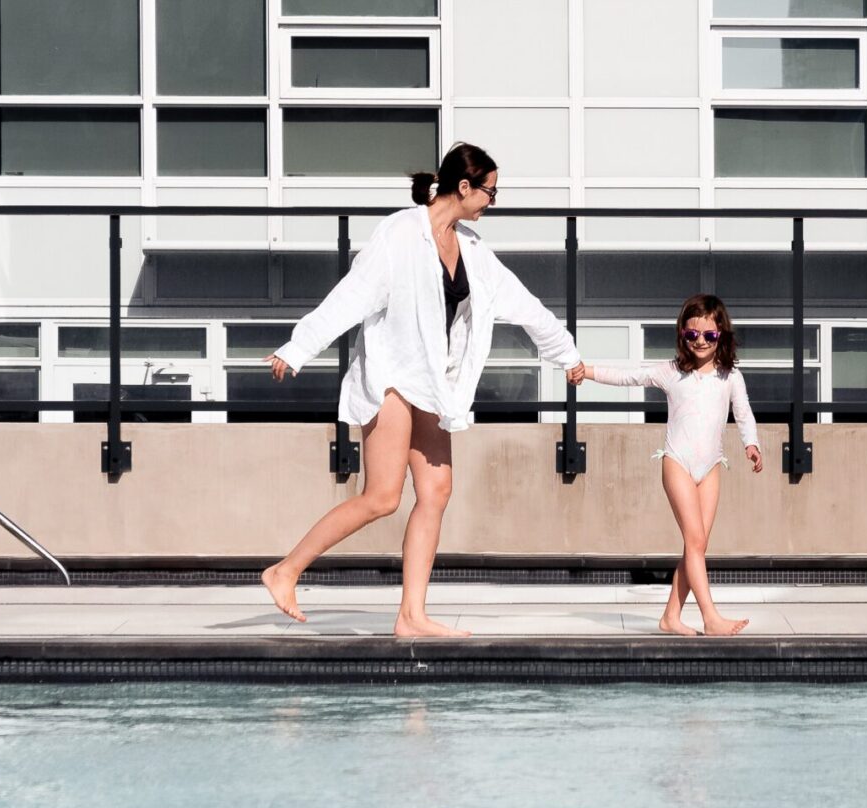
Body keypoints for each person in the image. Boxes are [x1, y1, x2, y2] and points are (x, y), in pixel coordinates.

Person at [260, 143, 583, 637]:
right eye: (490, 192)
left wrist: (568, 355)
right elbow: (352, 295)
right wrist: (299, 347)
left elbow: (524, 304)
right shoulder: (399, 234)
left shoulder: (472, 249)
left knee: (436, 490)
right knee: (382, 496)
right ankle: (285, 571)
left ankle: (411, 615)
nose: (493, 202)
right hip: (392, 375)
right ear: (464, 187)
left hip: (434, 382)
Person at [571, 294, 760, 636]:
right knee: (695, 540)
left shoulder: (730, 376)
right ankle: (711, 618)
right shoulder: (671, 372)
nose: (700, 341)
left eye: (709, 335)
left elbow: (743, 412)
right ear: (682, 335)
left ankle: (671, 617)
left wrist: (752, 444)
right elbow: (628, 377)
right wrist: (589, 372)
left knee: (697, 545)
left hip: (712, 466)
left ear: (721, 335)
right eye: (692, 335)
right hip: (677, 463)